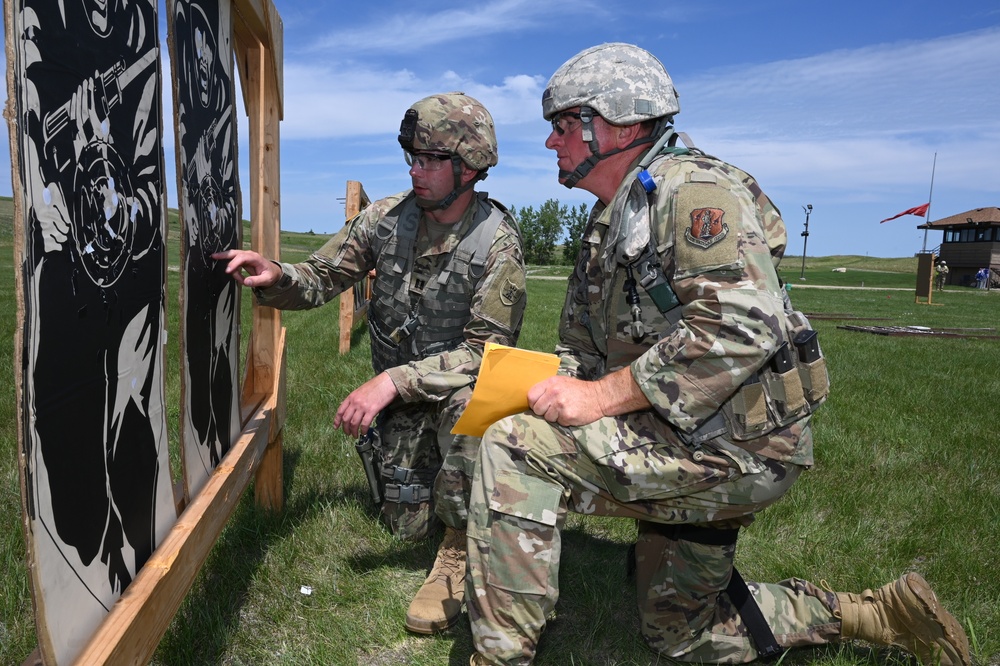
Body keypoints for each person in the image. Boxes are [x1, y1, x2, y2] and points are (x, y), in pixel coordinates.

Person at [465, 43, 969, 666]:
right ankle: (875, 614)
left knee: (516, 448)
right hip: (679, 432)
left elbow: (742, 325)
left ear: (616, 125)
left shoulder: (694, 190)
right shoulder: (610, 221)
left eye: (564, 126)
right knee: (679, 635)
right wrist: (522, 384)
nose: (551, 144)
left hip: (736, 449)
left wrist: (594, 398)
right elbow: (582, 351)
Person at [215, 92, 527, 635]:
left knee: (468, 404)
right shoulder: (385, 219)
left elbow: (485, 355)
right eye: (413, 156)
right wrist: (276, 274)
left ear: (470, 168)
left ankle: (458, 549)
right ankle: (444, 494)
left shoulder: (497, 244)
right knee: (403, 526)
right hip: (403, 405)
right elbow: (321, 276)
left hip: (455, 400)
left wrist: (388, 380)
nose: (416, 169)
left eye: (431, 160)